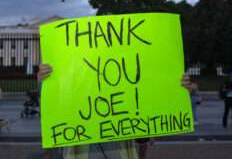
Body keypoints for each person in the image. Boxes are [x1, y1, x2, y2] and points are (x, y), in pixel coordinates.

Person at [38, 64, 192, 159]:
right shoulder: (73, 92)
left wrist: (176, 88)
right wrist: (45, 83)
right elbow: (52, 113)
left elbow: (142, 137)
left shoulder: (127, 93)